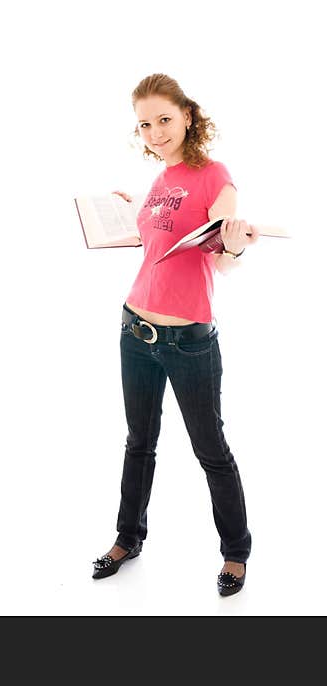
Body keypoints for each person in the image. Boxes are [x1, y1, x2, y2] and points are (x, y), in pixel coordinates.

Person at [92, 74, 257, 596]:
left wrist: (233, 247)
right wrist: (133, 206)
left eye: (164, 119)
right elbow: (157, 238)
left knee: (210, 448)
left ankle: (236, 552)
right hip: (134, 329)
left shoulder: (215, 176)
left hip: (189, 341)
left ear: (187, 114)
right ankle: (128, 537)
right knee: (139, 442)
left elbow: (222, 262)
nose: (155, 132)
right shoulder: (161, 182)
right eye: (144, 124)